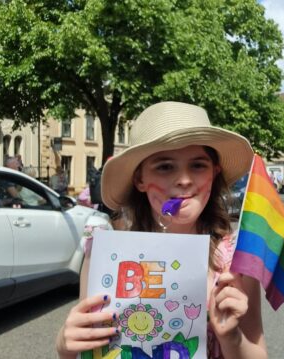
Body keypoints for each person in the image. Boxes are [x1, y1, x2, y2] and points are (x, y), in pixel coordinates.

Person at [55, 102, 266, 359]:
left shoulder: (236, 260)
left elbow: (258, 352)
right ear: (140, 179)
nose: (184, 179)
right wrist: (65, 346)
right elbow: (89, 343)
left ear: (214, 171)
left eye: (198, 165)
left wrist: (231, 336)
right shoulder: (104, 254)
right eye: (165, 166)